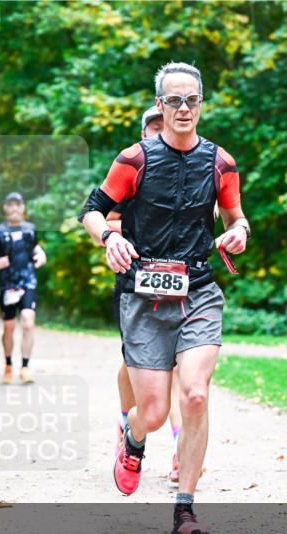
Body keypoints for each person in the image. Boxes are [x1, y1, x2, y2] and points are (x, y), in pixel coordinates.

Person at [80, 62, 250, 534]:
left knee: (195, 393)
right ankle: (133, 440)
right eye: (173, 100)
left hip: (197, 288)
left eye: (191, 100)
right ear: (159, 105)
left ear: (201, 104)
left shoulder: (221, 163)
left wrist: (237, 233)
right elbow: (91, 211)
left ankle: (185, 508)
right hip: (144, 293)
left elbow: (238, 218)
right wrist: (108, 240)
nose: (182, 108)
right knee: (153, 413)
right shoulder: (134, 159)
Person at [108, 106, 185, 487]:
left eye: (164, 126)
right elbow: (105, 216)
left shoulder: (192, 166)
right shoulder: (132, 167)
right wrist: (118, 240)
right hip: (135, 281)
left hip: (184, 280)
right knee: (133, 363)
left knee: (176, 368)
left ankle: (179, 450)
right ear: (143, 133)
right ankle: (127, 426)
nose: (160, 133)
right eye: (153, 128)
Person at [0, 192, 47, 384]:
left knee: (28, 322)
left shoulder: (30, 229)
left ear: (23, 207)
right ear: (4, 208)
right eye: (10, 204)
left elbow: (36, 249)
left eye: (18, 204)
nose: (14, 208)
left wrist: (41, 256)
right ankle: (8, 364)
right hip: (7, 284)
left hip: (28, 281)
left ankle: (25, 367)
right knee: (9, 327)